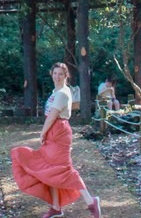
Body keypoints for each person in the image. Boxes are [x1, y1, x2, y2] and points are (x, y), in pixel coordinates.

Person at [11, 62, 102, 218]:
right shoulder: (57, 91)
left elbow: (52, 116)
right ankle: (56, 207)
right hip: (56, 130)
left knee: (63, 169)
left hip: (58, 131)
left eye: (61, 74)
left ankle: (91, 201)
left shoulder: (62, 93)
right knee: (50, 169)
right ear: (51, 74)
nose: (57, 77)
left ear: (66, 76)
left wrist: (42, 133)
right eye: (55, 73)